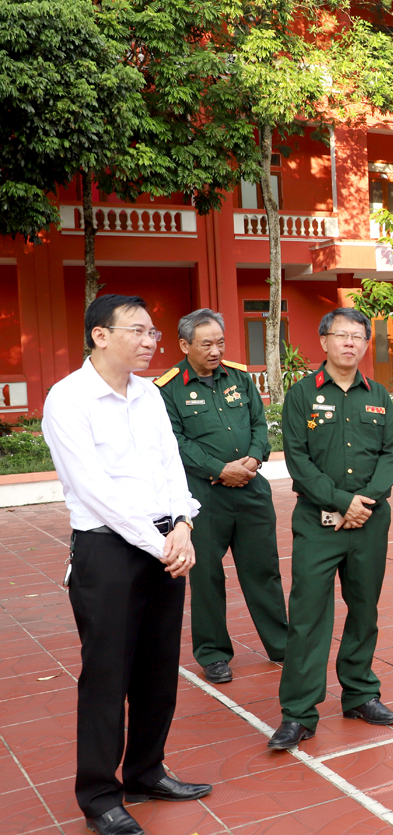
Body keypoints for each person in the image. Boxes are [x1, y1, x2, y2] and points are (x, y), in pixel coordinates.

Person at [42, 295, 210, 835]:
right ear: (100, 335)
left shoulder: (148, 395)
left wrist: (183, 524)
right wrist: (158, 541)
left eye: (152, 332)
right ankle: (98, 795)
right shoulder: (68, 399)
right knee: (107, 676)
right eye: (137, 331)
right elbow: (94, 490)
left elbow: (171, 466)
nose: (149, 341)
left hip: (164, 542)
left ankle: (146, 771)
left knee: (158, 670)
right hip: (109, 551)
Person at [267, 308, 393, 751]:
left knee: (364, 610)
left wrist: (365, 502)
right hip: (318, 523)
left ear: (366, 344)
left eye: (358, 337)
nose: (351, 343)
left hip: (369, 522)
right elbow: (298, 461)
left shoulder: (378, 395)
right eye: (342, 335)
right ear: (323, 341)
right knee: (307, 617)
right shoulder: (302, 395)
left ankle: (361, 694)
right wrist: (343, 501)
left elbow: (391, 452)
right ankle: (298, 713)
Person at [157, 309, 288, 684]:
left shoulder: (241, 378)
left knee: (263, 570)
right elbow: (175, 442)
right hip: (203, 498)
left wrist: (255, 456)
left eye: (220, 342)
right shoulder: (167, 389)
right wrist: (220, 469)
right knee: (207, 576)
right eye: (206, 344)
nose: (215, 351)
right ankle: (214, 654)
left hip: (252, 490)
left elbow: (260, 423)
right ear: (185, 345)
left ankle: (281, 642)